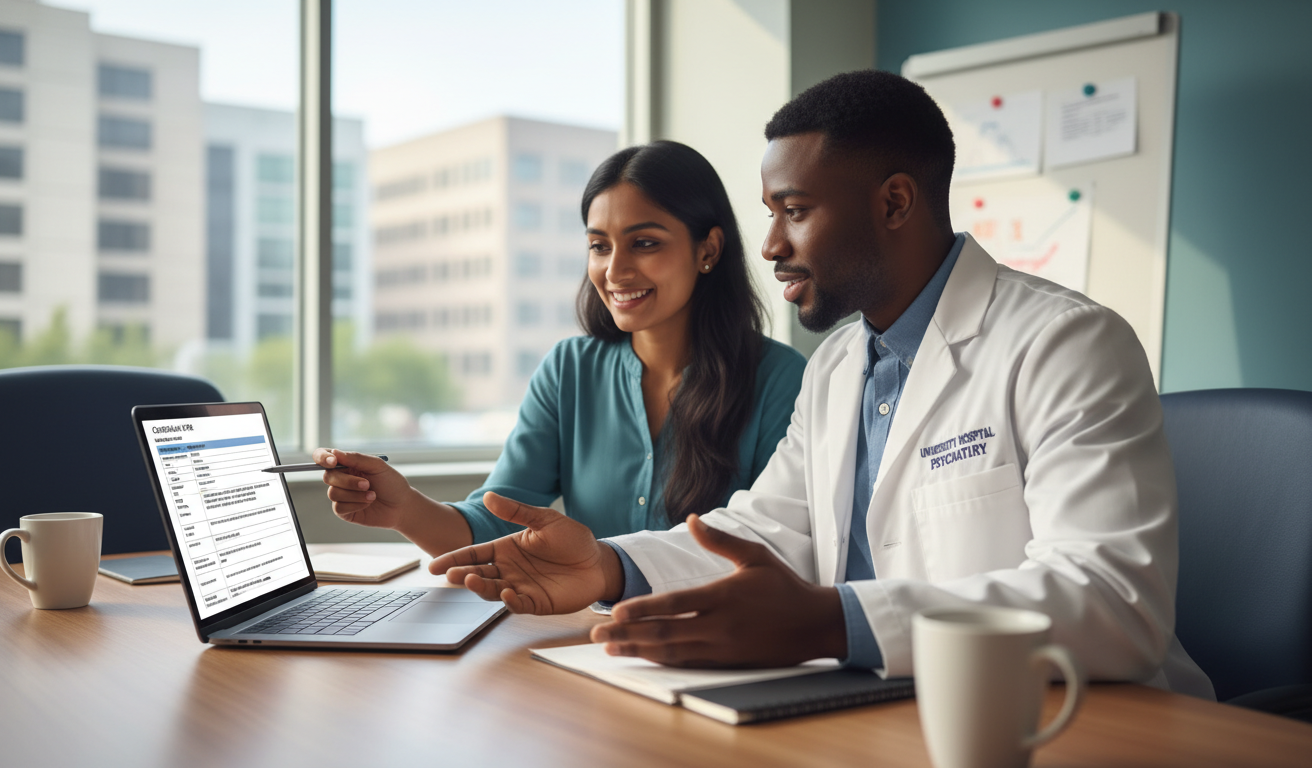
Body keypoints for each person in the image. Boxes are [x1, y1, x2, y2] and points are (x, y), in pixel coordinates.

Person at [429, 70, 1215, 699]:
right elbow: (772, 531)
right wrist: (607, 567)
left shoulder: (1065, 342)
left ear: (895, 202)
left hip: (1070, 720)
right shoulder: (842, 363)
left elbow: (1116, 603)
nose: (769, 244)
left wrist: (835, 624)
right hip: (891, 706)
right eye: (770, 212)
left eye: (795, 211)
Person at [314, 140, 806, 557]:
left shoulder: (780, 379)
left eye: (645, 243)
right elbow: (496, 521)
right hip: (587, 641)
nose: (614, 271)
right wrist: (404, 507)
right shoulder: (569, 371)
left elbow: (771, 546)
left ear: (708, 250)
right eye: (599, 245)